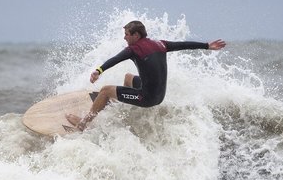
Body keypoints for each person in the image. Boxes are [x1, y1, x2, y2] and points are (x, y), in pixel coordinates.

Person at [66, 20, 226, 130]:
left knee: (106, 90)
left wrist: (98, 71)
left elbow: (115, 59)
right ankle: (112, 104)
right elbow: (183, 45)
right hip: (160, 96)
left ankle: (83, 124)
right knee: (128, 77)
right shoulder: (160, 44)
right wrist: (206, 45)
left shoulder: (133, 49)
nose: (124, 37)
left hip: (147, 98)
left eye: (127, 34)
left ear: (136, 36)